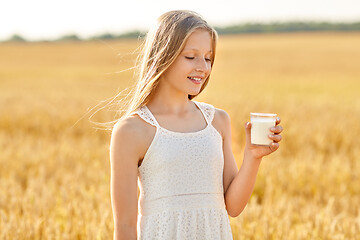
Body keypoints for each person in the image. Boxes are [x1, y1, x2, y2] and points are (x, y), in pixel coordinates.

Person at [109, 10, 283, 240]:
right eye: (191, 57)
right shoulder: (131, 130)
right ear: (163, 56)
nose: (203, 67)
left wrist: (253, 157)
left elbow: (232, 206)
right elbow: (124, 227)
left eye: (208, 58)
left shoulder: (217, 121)